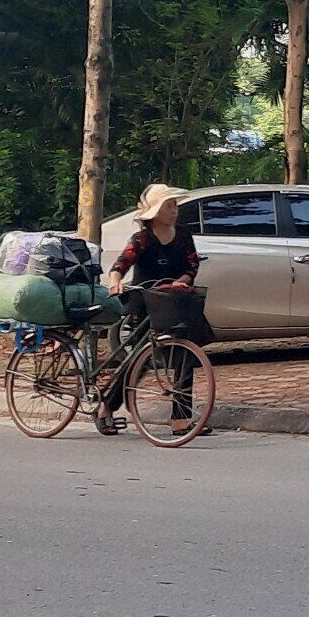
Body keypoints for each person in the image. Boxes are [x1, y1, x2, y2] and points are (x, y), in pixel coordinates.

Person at [108, 184, 202, 434]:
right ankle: (106, 407)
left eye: (174, 206)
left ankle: (181, 419)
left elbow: (192, 265)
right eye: (169, 206)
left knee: (184, 356)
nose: (174, 211)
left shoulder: (183, 235)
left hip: (174, 300)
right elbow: (121, 264)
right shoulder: (142, 239)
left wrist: (183, 279)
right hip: (146, 302)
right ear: (156, 212)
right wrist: (115, 281)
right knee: (138, 359)